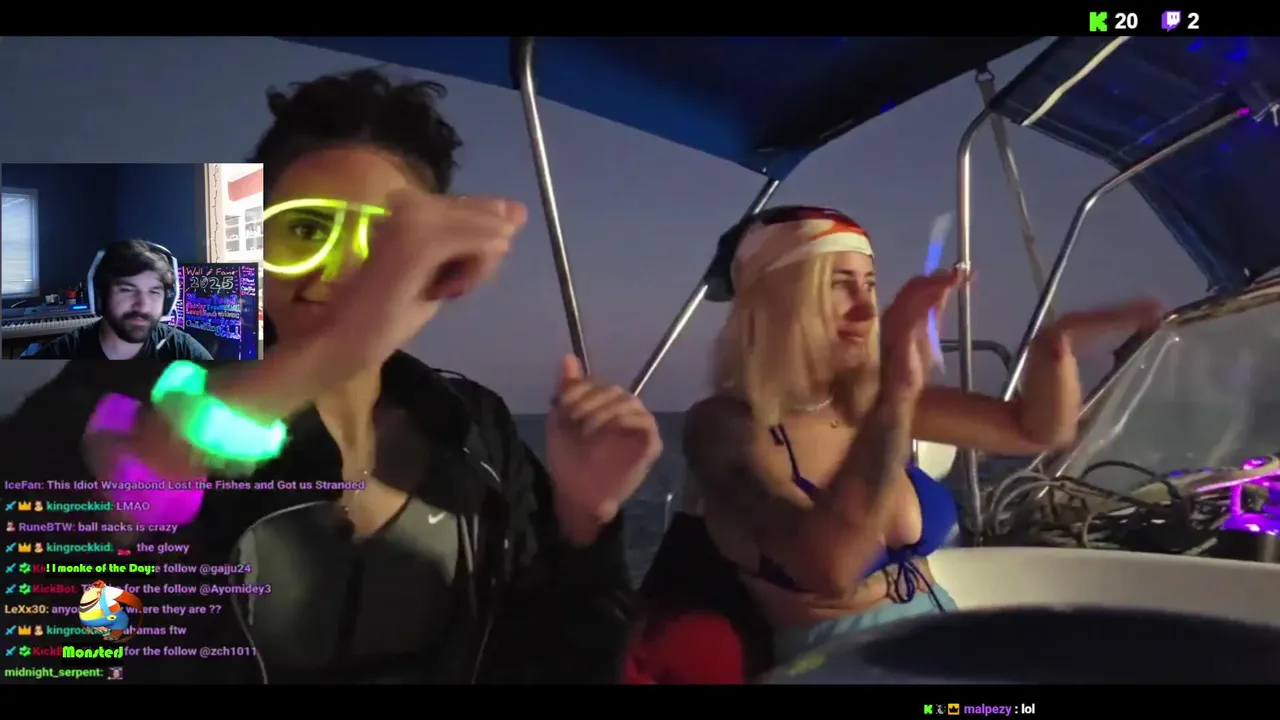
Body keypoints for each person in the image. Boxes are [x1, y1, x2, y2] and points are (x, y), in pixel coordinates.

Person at [0, 69, 660, 684]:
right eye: (306, 228)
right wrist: (341, 345)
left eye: (385, 240)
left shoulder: (473, 430)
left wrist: (584, 518)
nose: (340, 268)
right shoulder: (116, 397)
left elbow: (556, 663)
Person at [682, 206, 1161, 666]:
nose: (866, 309)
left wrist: (1053, 349)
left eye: (870, 285)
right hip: (844, 664)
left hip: (943, 646)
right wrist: (895, 394)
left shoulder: (865, 402)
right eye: (839, 285)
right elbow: (831, 570)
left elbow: (1038, 431)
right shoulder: (725, 427)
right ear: (777, 299)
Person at [24, 240, 213, 360]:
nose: (143, 305)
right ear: (101, 295)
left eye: (154, 292)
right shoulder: (64, 352)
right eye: (127, 290)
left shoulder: (183, 351)